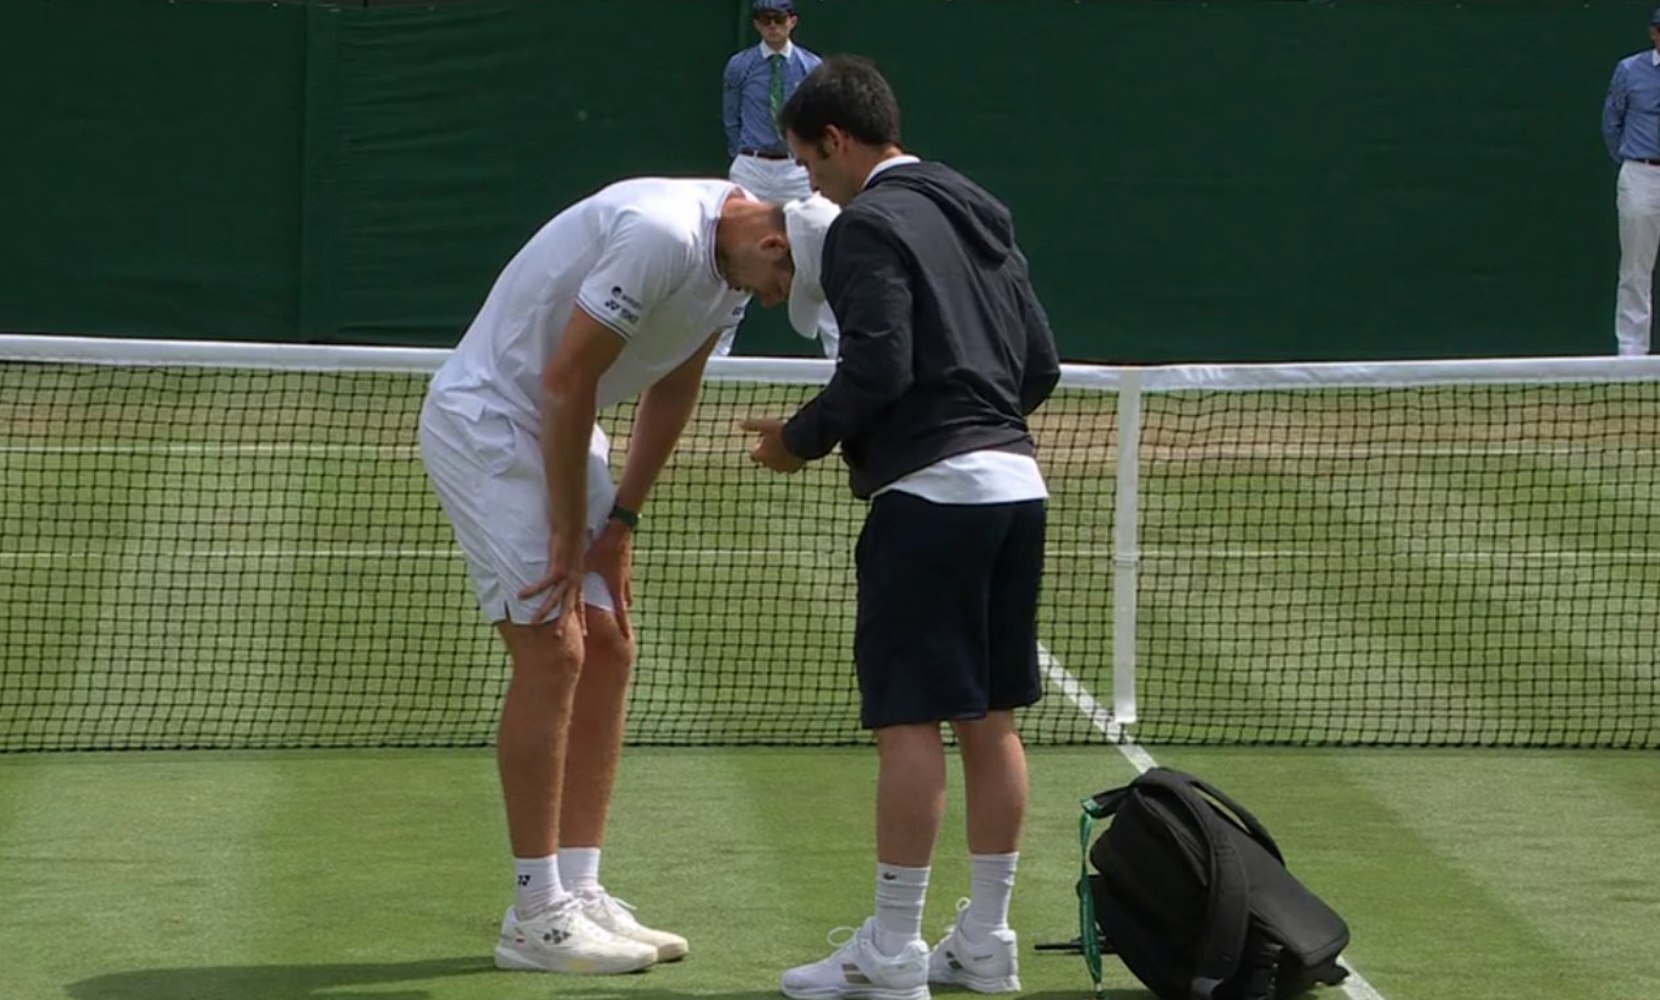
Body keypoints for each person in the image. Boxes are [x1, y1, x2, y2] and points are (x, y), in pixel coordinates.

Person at [419, 178, 837, 976]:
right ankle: (534, 914)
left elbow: (675, 383)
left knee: (609, 643)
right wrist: (560, 530)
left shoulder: (736, 267)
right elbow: (568, 379)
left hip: (564, 429)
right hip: (491, 424)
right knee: (555, 648)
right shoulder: (660, 234)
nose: (781, 302)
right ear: (774, 246)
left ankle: (578, 888)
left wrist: (620, 526)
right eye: (787, 288)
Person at [740, 57, 1062, 1000]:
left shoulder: (866, 225)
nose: (811, 185)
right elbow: (1035, 361)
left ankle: (890, 954)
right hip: (1015, 486)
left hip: (931, 502)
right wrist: (977, 418)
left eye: (807, 165)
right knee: (990, 715)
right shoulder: (978, 206)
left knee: (909, 721)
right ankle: (986, 943)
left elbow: (877, 366)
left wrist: (798, 442)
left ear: (835, 142)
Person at [719, 0, 837, 359]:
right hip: (751, 166)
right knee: (729, 250)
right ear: (756, 24)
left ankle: (841, 353)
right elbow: (731, 116)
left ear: (792, 21)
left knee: (825, 247)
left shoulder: (810, 66)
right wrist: (742, 153)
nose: (773, 27)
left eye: (779, 19)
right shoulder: (740, 67)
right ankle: (715, 356)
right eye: (765, 20)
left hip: (795, 168)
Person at [1603, 6, 1660, 357]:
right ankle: (1632, 353)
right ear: (1654, 33)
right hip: (1641, 174)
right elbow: (1612, 122)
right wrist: (1632, 160)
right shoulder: (1629, 70)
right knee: (1636, 268)